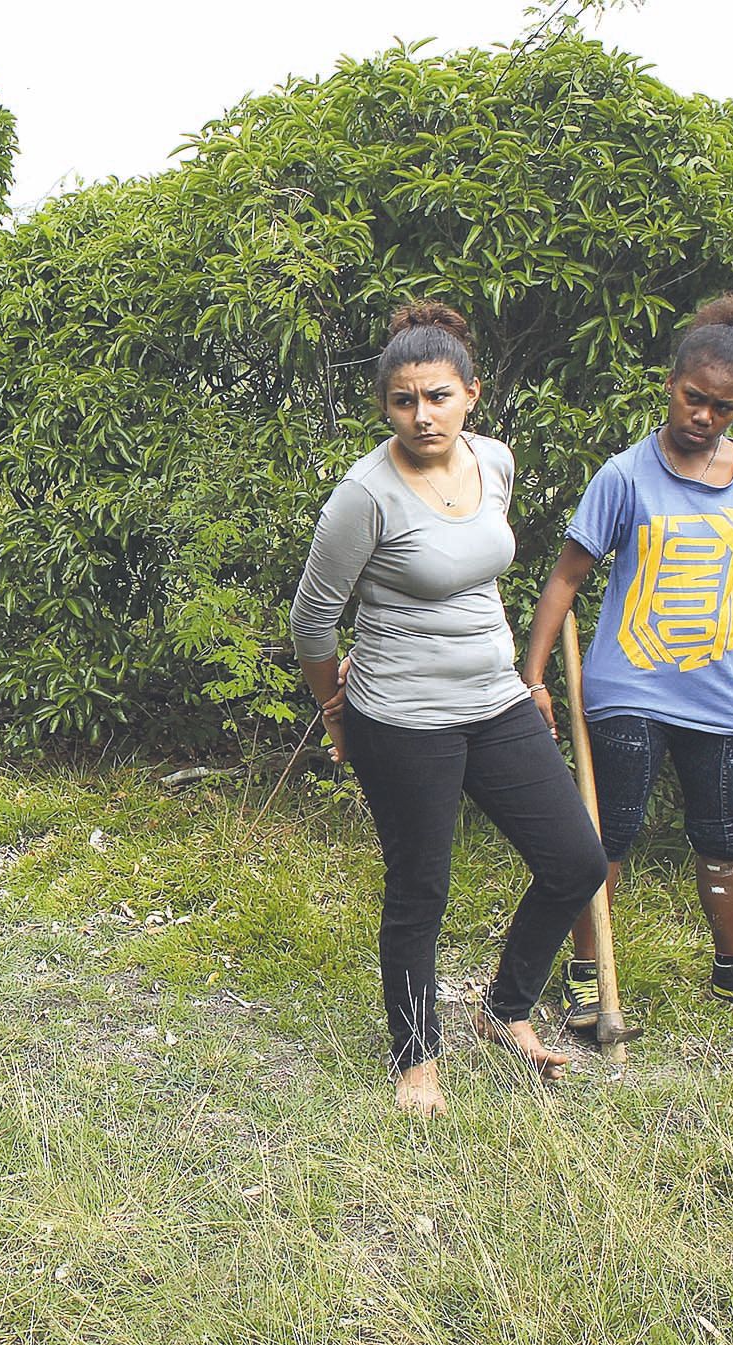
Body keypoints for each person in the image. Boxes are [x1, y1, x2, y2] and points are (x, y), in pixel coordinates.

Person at [291, 301, 607, 1117]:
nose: (420, 414)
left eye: (436, 396)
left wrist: (522, 675)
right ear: (384, 407)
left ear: (471, 391)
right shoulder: (364, 495)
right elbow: (311, 619)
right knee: (419, 889)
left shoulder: (493, 462)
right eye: (402, 400)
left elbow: (477, 572)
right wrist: (337, 711)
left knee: (574, 861)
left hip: (494, 698)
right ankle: (415, 1059)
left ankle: (503, 1011)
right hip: (400, 716)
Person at [522, 295, 733, 1034]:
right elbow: (565, 577)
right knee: (609, 836)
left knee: (723, 837)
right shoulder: (624, 476)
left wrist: (728, 656)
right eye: (694, 399)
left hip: (719, 694)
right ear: (671, 385)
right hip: (627, 687)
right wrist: (530, 677)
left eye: (722, 408)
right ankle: (586, 977)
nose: (703, 416)